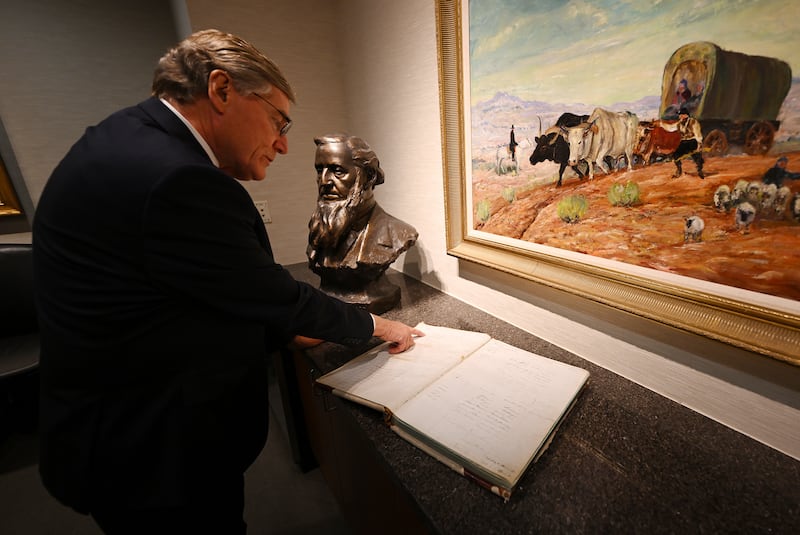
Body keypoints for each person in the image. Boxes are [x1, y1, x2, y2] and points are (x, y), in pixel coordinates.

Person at [32, 29, 423, 534]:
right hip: (153, 457)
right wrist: (374, 326)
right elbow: (273, 295)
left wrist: (281, 323)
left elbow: (184, 291)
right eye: (279, 121)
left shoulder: (121, 139)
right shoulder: (177, 178)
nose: (282, 145)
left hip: (109, 430)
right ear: (221, 91)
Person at [307, 133, 418, 312]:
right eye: (320, 170)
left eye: (337, 171)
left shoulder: (398, 233)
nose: (324, 181)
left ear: (369, 176)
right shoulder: (319, 230)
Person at [671, 107, 705, 179]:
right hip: (684, 142)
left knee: (697, 156)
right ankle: (679, 170)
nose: (680, 116)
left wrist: (699, 144)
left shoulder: (693, 122)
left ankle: (700, 171)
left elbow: (697, 134)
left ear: (686, 115)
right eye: (679, 115)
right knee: (676, 155)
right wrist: (660, 124)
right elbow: (671, 128)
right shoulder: (679, 123)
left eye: (681, 115)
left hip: (693, 141)